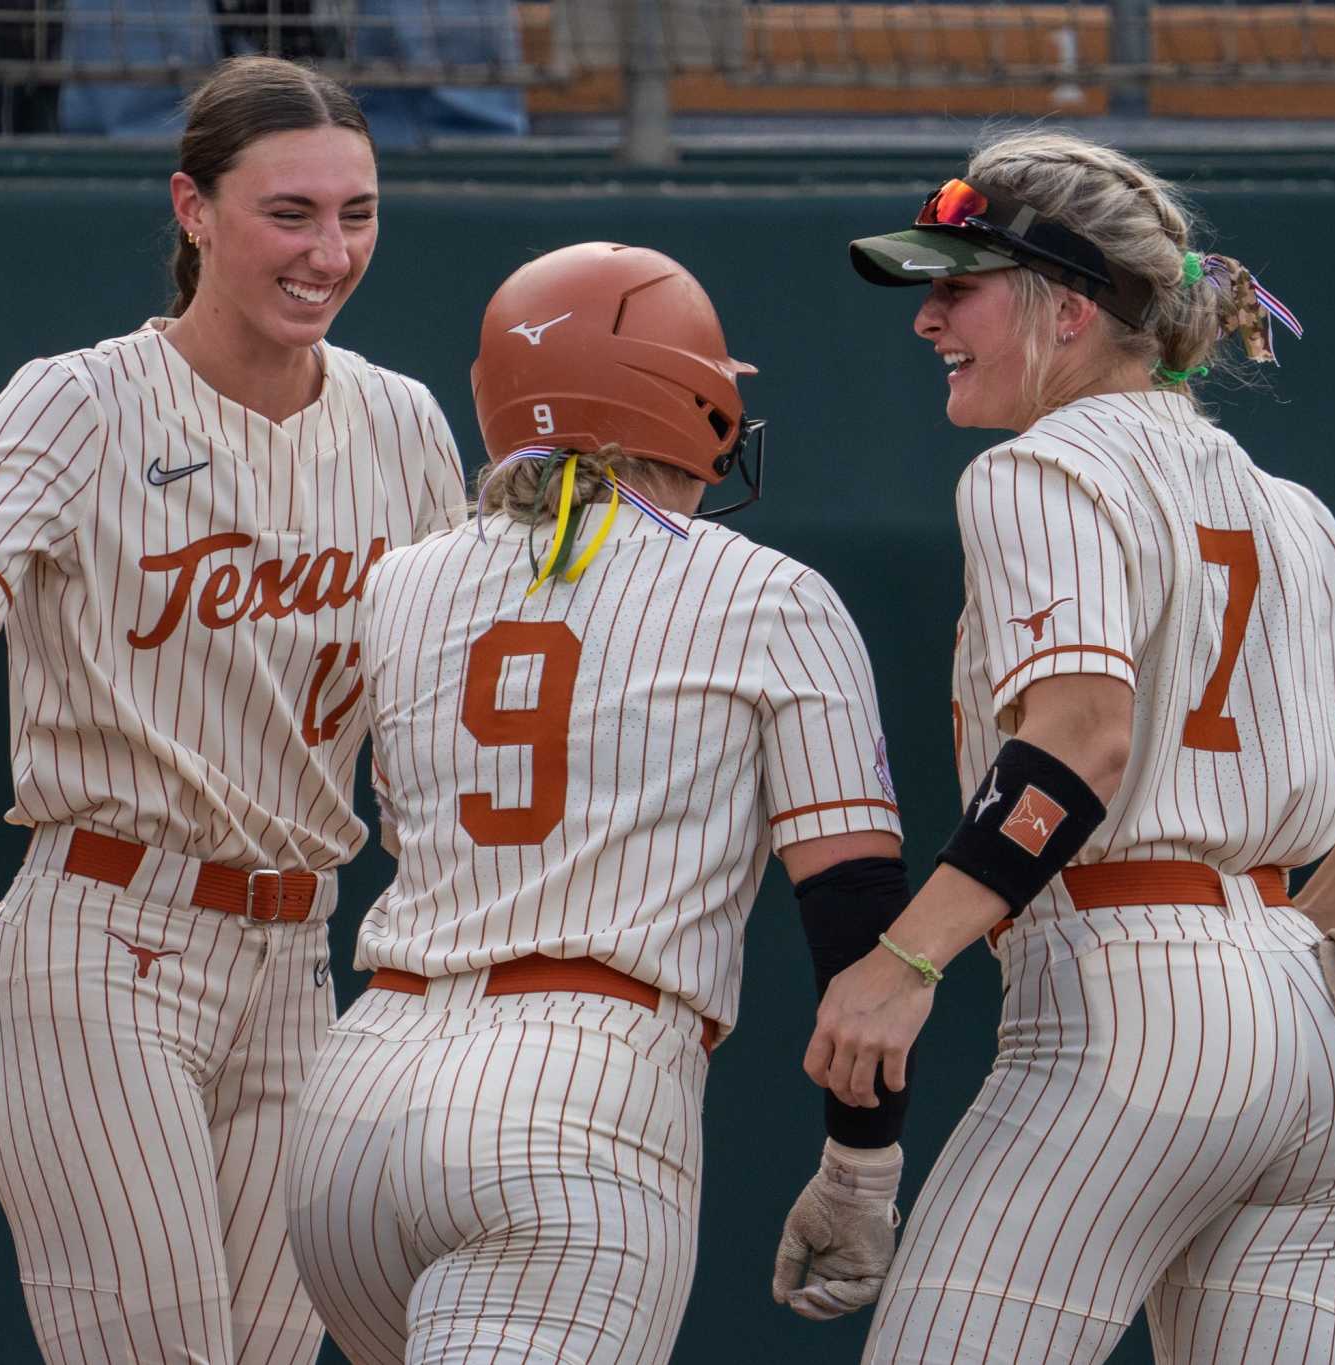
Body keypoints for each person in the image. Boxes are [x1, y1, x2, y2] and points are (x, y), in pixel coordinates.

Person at [802, 130, 1335, 1363]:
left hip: (1129, 1003)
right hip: (1317, 1022)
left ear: (1067, 311)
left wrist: (903, 962)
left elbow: (1082, 737)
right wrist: (1286, 938)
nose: (927, 320)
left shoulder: (1042, 467)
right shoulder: (1277, 502)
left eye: (955, 286)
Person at [0, 55, 467, 1364]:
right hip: (105, 940)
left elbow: (436, 723)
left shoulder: (405, 422)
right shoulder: (78, 400)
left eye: (354, 212)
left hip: (301, 957)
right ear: (193, 210)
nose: (328, 247)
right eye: (287, 212)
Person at [281, 241, 915, 1364]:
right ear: (689, 397)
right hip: (576, 1092)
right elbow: (853, 912)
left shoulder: (401, 582)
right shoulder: (766, 591)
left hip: (353, 1101)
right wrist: (859, 1164)